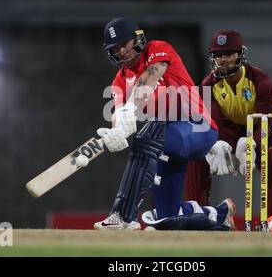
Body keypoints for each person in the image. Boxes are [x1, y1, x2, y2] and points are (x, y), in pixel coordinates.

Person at [86, 17, 236, 230]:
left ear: (137, 39)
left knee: (148, 134)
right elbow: (118, 111)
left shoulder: (157, 49)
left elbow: (153, 74)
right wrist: (116, 131)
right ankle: (220, 216)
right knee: (167, 217)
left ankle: (123, 216)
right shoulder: (119, 81)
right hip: (167, 139)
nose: (120, 52)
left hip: (197, 126)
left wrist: (130, 107)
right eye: (115, 48)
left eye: (123, 45)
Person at [184, 29, 272, 224]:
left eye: (228, 54)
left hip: (266, 125)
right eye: (218, 55)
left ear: (240, 55)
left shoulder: (260, 80)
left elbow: (265, 119)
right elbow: (213, 122)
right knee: (197, 151)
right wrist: (216, 145)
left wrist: (251, 144)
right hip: (232, 127)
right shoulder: (208, 84)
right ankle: (197, 215)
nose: (223, 60)